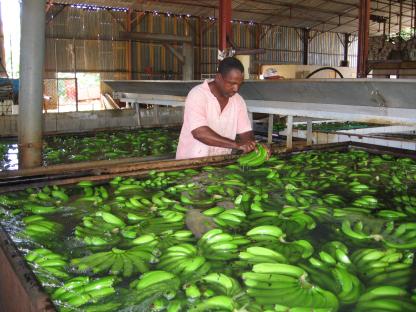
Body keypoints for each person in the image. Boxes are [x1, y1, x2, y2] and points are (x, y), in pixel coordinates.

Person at [176, 57, 257, 160]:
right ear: (218, 77)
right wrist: (236, 144)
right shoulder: (198, 95)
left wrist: (252, 145)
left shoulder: (238, 101)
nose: (236, 89)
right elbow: (199, 132)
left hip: (218, 162)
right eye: (232, 83)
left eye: (239, 84)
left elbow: (245, 132)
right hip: (190, 162)